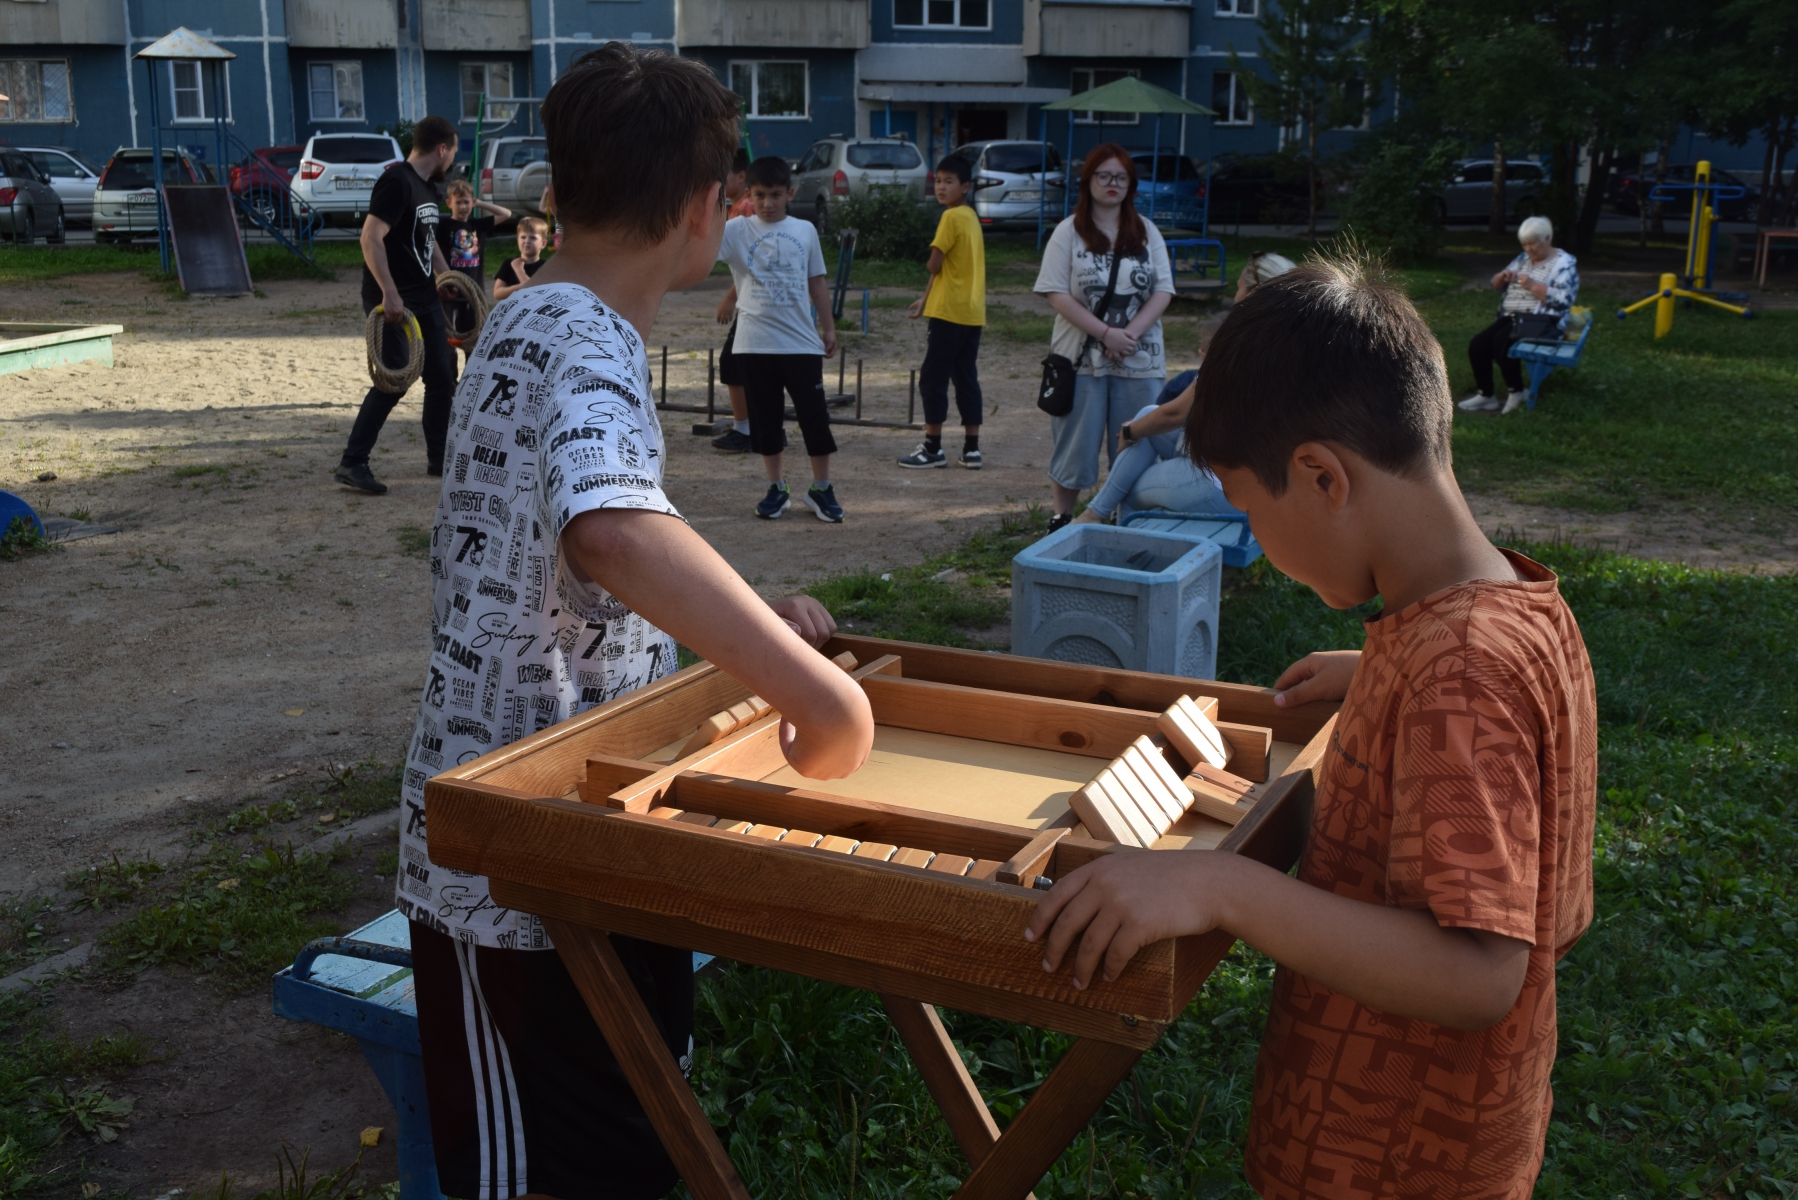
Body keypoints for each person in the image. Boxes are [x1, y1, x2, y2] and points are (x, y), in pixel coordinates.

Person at [393, 43, 874, 1200]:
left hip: (591, 835)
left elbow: (592, 533)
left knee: (634, 1138)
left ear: (559, 191)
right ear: (710, 210)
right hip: (507, 872)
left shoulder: (530, 315)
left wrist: (747, 617)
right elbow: (610, 530)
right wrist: (819, 695)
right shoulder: (586, 338)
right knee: (551, 1172)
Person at [1026, 256, 1597, 1200]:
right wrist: (1384, 673)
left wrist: (1223, 887)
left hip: (1394, 1162)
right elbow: (1505, 726)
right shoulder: (1500, 616)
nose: (1258, 538)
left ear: (1322, 476)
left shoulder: (1460, 670)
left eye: (1251, 510)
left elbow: (1478, 972)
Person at [1074, 251, 1296, 524]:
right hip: (1269, 482)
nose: (1235, 296)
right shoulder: (1294, 345)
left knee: (1130, 487)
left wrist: (1130, 431)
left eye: (1239, 287)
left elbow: (1175, 414)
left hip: (1230, 486)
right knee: (1147, 416)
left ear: (1254, 293)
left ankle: (1113, 535)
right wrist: (1139, 427)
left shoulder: (1244, 346)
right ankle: (1094, 515)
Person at [1034, 143, 1176, 533]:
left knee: (1137, 438)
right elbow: (1056, 292)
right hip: (1080, 357)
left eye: (1121, 177)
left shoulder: (1147, 231)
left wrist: (1129, 334)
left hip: (1139, 355)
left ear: (1131, 185)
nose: (1112, 183)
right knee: (1075, 440)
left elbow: (1163, 290)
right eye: (1104, 175)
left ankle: (1122, 514)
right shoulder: (1068, 232)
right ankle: (1062, 516)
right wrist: (1106, 334)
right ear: (1088, 181)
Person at [334, 114, 463, 495]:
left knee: (441, 377)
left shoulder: (428, 187)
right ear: (442, 149)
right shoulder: (396, 181)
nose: (452, 159)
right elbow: (370, 238)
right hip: (392, 300)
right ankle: (352, 462)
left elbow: (428, 239)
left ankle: (438, 458)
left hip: (424, 297)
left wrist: (445, 276)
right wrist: (389, 292)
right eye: (453, 152)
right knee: (393, 382)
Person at [716, 154, 844, 522]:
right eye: (759, 195)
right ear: (749, 195)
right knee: (766, 421)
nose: (767, 203)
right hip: (754, 344)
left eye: (775, 195)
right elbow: (699, 247)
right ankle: (777, 487)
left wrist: (829, 328)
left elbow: (816, 282)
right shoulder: (736, 230)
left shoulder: (805, 230)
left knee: (815, 418)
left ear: (789, 193)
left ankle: (821, 488)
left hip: (800, 344)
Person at [898, 155, 986, 469]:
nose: (941, 187)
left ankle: (932, 448)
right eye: (938, 181)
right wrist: (925, 299)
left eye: (949, 181)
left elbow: (934, 264)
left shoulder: (950, 217)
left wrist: (931, 265)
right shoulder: (971, 217)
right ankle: (972, 449)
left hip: (948, 313)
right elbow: (947, 269)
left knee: (932, 379)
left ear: (965, 186)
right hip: (971, 312)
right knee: (966, 377)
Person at [1460, 215, 1579, 415]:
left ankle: (1517, 392)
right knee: (1478, 344)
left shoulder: (1564, 264)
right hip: (1512, 317)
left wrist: (1533, 286)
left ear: (1547, 238)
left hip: (1542, 321)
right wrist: (1502, 277)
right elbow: (1495, 285)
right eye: (1524, 244)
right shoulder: (1523, 259)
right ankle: (1486, 395)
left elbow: (1565, 300)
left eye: (1533, 244)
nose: (1528, 249)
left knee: (1501, 343)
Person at [711, 149, 766, 454]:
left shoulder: (746, 211)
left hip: (753, 302)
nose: (718, 183)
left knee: (734, 363)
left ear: (741, 177)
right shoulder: (735, 208)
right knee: (744, 365)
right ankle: (758, 427)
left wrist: (730, 299)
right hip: (750, 299)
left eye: (723, 177)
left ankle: (746, 429)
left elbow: (753, 262)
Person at [436, 179, 513, 354]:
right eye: (458, 202)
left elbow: (506, 214)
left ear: (472, 202)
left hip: (474, 293)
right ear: (449, 203)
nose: (463, 207)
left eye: (466, 202)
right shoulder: (443, 226)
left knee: (474, 341)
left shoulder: (477, 225)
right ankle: (451, 371)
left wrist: (480, 203)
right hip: (451, 293)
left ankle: (470, 370)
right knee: (449, 341)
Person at [492, 214, 549, 300]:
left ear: (543, 243)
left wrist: (519, 270)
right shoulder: (509, 263)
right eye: (523, 237)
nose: (527, 241)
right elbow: (497, 294)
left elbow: (535, 292)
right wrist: (520, 287)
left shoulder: (546, 266)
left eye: (533, 238)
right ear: (517, 240)